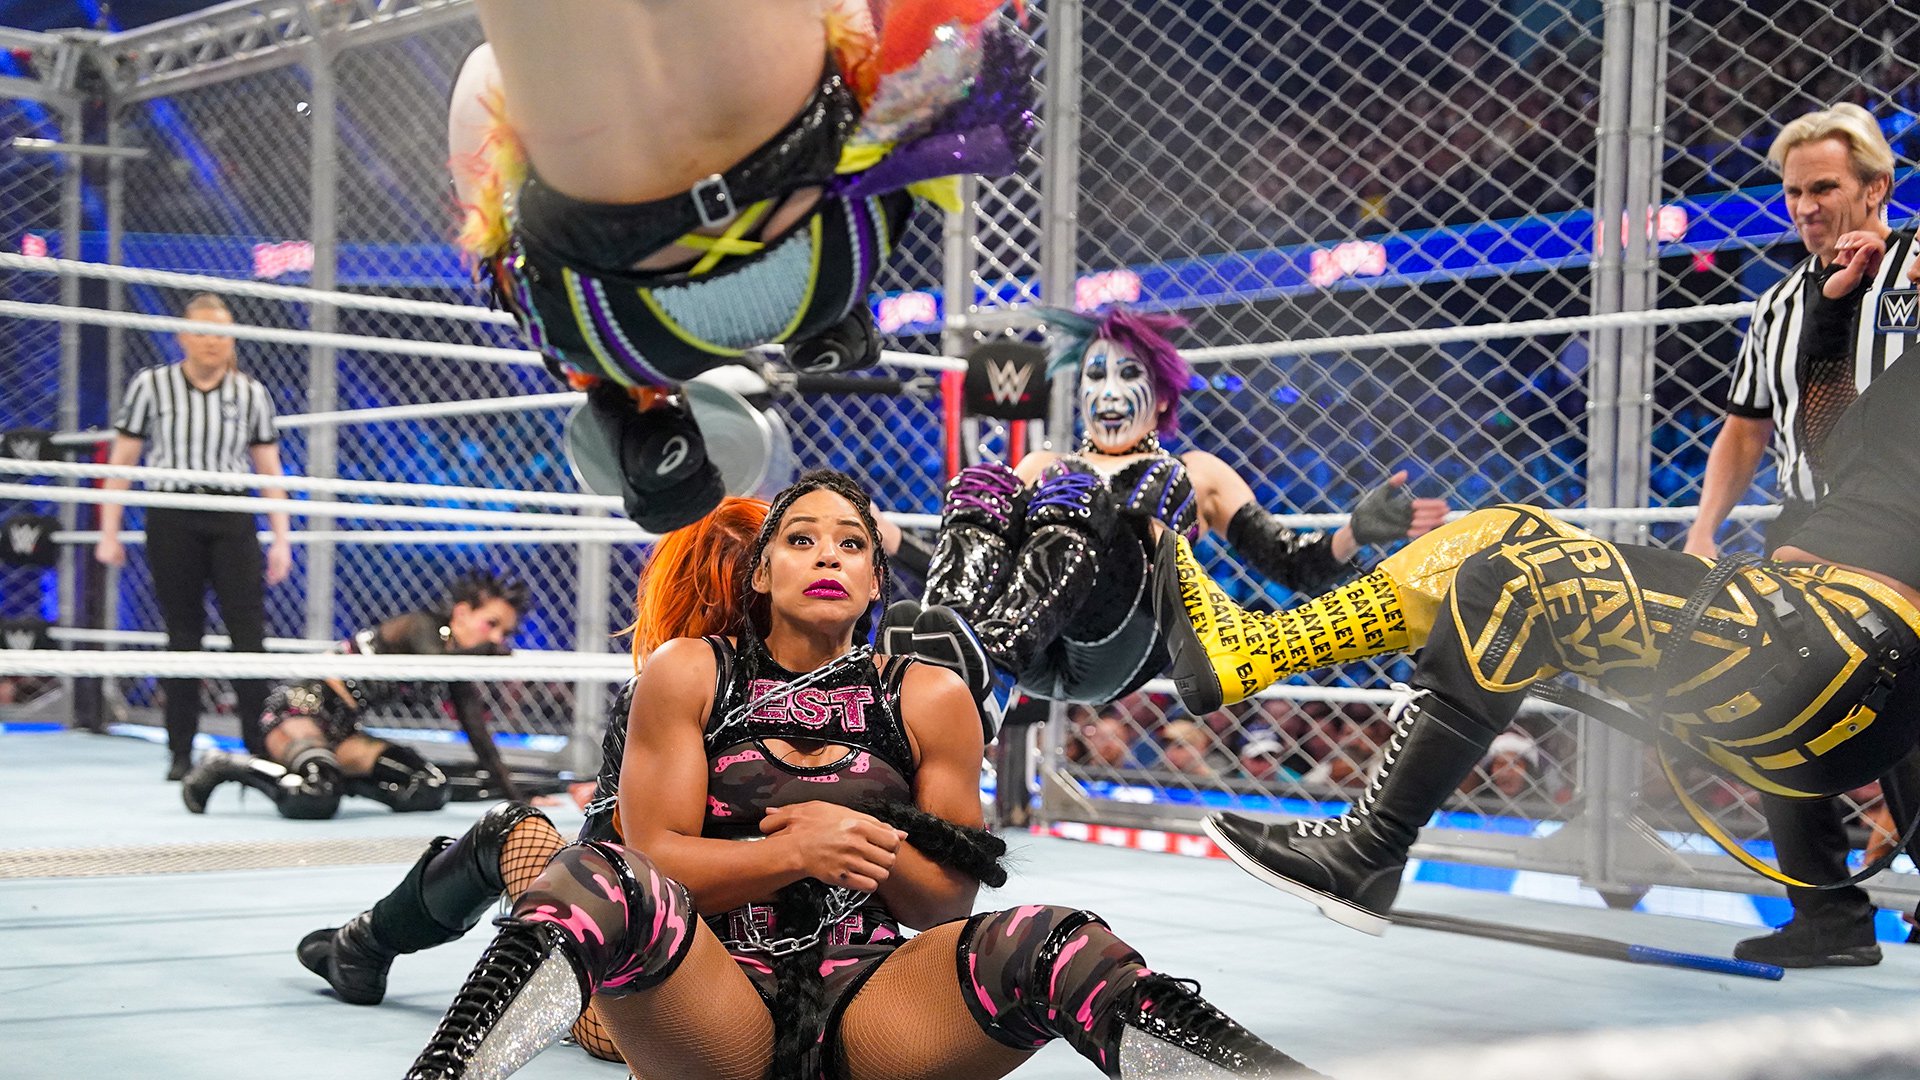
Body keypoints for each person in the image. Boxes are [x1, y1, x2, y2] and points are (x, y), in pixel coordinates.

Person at [402, 470, 1322, 1080]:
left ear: (878, 582)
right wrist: (796, 850)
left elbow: (944, 904)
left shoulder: (930, 697)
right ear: (760, 573)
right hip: (713, 1008)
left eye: (851, 544)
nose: (828, 556)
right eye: (802, 540)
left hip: (877, 1008)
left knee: (1058, 941)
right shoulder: (689, 672)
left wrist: (858, 846)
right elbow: (657, 863)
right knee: (589, 875)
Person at [1149, 255, 1920, 937]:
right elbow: (1828, 446)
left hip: (1844, 653)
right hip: (1790, 628)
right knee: (1499, 532)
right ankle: (1249, 650)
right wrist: (1831, 313)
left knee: (1511, 584)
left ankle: (1370, 848)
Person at [448, 0, 1036, 533]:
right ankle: (831, 324)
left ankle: (633, 414)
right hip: (827, 240)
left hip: (618, 320)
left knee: (484, 75)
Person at [297, 497, 771, 1064]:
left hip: (655, 1018)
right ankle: (360, 946)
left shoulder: (672, 683)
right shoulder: (845, 691)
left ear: (682, 588)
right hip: (791, 996)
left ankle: (361, 946)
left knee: (512, 829)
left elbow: (612, 875)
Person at [886, 305, 1447, 726]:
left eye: (1127, 375)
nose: (1108, 391)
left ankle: (991, 663)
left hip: (1118, 640)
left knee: (1091, 488)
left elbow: (1290, 564)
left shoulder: (1196, 471)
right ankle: (952, 672)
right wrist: (897, 543)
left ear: (1159, 397)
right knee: (984, 484)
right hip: (1028, 642)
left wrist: (1353, 532)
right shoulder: (1042, 465)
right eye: (1095, 375)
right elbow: (989, 562)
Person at [1683, 103, 1920, 968]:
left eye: (1824, 187)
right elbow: (1745, 427)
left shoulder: (1915, 265)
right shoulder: (1780, 301)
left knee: (1905, 722)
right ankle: (1827, 916)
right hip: (1809, 521)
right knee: (1766, 703)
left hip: (1905, 523)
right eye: (1792, 193)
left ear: (1877, 187)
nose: (1805, 207)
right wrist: (1703, 528)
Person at [93, 292, 294, 779]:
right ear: (183, 337)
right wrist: (108, 531)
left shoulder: (251, 393)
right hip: (172, 513)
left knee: (249, 633)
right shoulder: (152, 386)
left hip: (231, 513)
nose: (211, 342)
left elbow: (269, 469)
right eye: (202, 331)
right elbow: (122, 462)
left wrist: (282, 537)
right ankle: (180, 751)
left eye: (221, 333)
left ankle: (261, 748)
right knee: (182, 634)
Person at [178, 569, 529, 820]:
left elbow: (477, 731)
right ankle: (229, 764)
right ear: (462, 612)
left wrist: (519, 800)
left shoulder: (456, 661)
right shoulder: (420, 627)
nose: (496, 638)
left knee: (426, 786)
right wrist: (488, 653)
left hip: (344, 729)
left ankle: (329, 772)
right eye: (492, 624)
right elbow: (433, 663)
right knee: (316, 795)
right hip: (301, 709)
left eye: (505, 633)